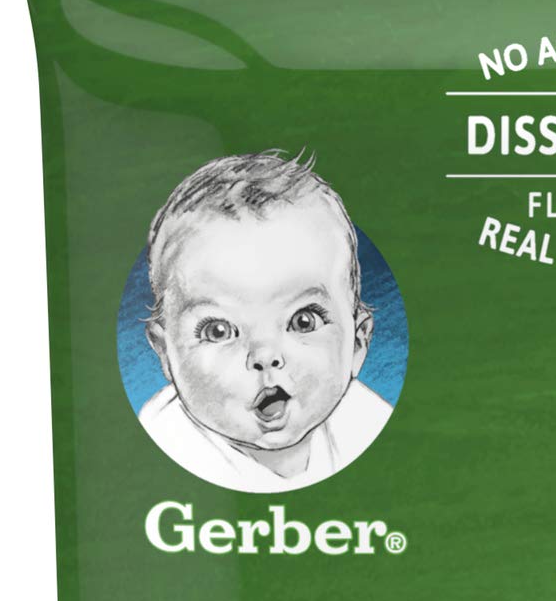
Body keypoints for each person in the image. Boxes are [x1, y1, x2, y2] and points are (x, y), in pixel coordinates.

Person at [135, 151, 395, 489]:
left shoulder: (367, 422)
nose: (264, 355)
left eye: (303, 321)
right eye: (219, 330)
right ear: (165, 352)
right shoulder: (163, 449)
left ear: (358, 343)